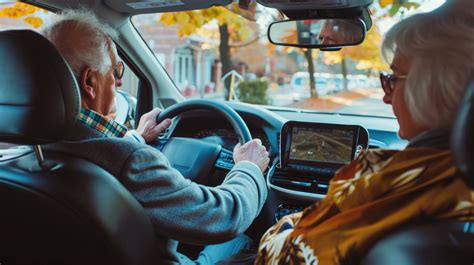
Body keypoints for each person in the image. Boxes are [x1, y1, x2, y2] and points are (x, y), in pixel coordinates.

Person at [41, 9, 270, 264]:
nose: (119, 83)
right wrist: (248, 168)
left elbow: (101, 156)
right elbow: (224, 216)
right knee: (247, 241)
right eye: (116, 71)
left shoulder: (25, 149)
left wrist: (137, 138)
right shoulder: (133, 162)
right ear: (90, 82)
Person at [254, 1, 474, 264]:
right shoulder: (454, 181)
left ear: (432, 88)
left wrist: (285, 224)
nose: (385, 98)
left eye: (392, 79)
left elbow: (286, 257)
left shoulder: (382, 179)